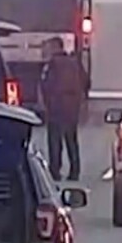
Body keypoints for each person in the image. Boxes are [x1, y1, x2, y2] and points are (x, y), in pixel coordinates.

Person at [40, 36, 89, 181]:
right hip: (72, 107)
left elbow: (46, 84)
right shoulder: (75, 62)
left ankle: (55, 170)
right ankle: (75, 170)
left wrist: (46, 102)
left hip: (56, 106)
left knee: (55, 139)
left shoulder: (52, 64)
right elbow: (86, 81)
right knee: (71, 139)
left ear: (56, 48)